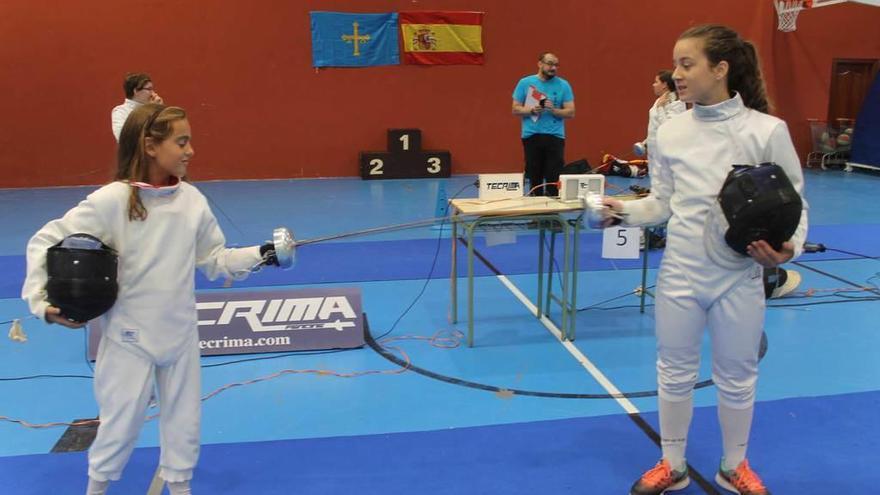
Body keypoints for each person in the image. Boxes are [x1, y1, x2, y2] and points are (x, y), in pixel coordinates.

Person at [22, 103, 279, 495]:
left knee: (184, 422)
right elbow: (46, 241)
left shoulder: (192, 201)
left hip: (179, 334)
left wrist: (264, 254)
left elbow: (214, 259)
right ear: (150, 145)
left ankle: (180, 487)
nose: (191, 150)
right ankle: (96, 489)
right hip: (129, 337)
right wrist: (43, 303)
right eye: (182, 141)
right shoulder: (112, 200)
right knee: (120, 423)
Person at [602, 25, 808, 495]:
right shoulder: (671, 131)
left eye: (686, 64)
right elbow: (663, 203)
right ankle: (671, 465)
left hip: (738, 275)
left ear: (721, 69)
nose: (676, 74)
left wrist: (787, 249)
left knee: (737, 374)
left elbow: (797, 202)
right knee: (673, 370)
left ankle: (733, 466)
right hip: (680, 272)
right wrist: (624, 212)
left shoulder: (766, 131)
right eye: (675, 64)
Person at [512, 52, 575, 196]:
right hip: (532, 135)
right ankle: (536, 214)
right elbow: (515, 109)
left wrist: (554, 110)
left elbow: (571, 112)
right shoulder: (525, 83)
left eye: (556, 65)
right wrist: (532, 110)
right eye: (550, 63)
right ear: (540, 64)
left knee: (554, 176)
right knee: (535, 176)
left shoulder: (563, 85)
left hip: (555, 136)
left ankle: (553, 214)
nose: (553, 68)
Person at [635, 70, 688, 158]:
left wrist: (660, 109)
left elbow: (669, 128)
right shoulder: (660, 101)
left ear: (664, 85)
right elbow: (656, 126)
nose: (653, 85)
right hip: (655, 154)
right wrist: (646, 143)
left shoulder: (676, 103)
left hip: (666, 154)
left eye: (656, 82)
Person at [110, 72, 164, 142]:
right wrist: (150, 110)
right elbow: (124, 138)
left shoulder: (154, 108)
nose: (153, 93)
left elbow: (165, 133)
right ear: (135, 91)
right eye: (149, 89)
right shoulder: (120, 112)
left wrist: (161, 110)